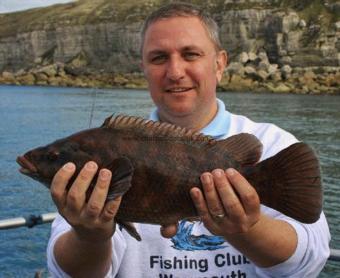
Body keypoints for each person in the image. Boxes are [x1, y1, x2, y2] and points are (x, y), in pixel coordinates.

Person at [47, 2, 330, 277]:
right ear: (143, 68)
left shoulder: (273, 143)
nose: (175, 72)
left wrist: (247, 229)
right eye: (159, 58)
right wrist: (91, 237)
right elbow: (71, 273)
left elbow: (309, 260)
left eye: (191, 54)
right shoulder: (104, 152)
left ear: (219, 64)